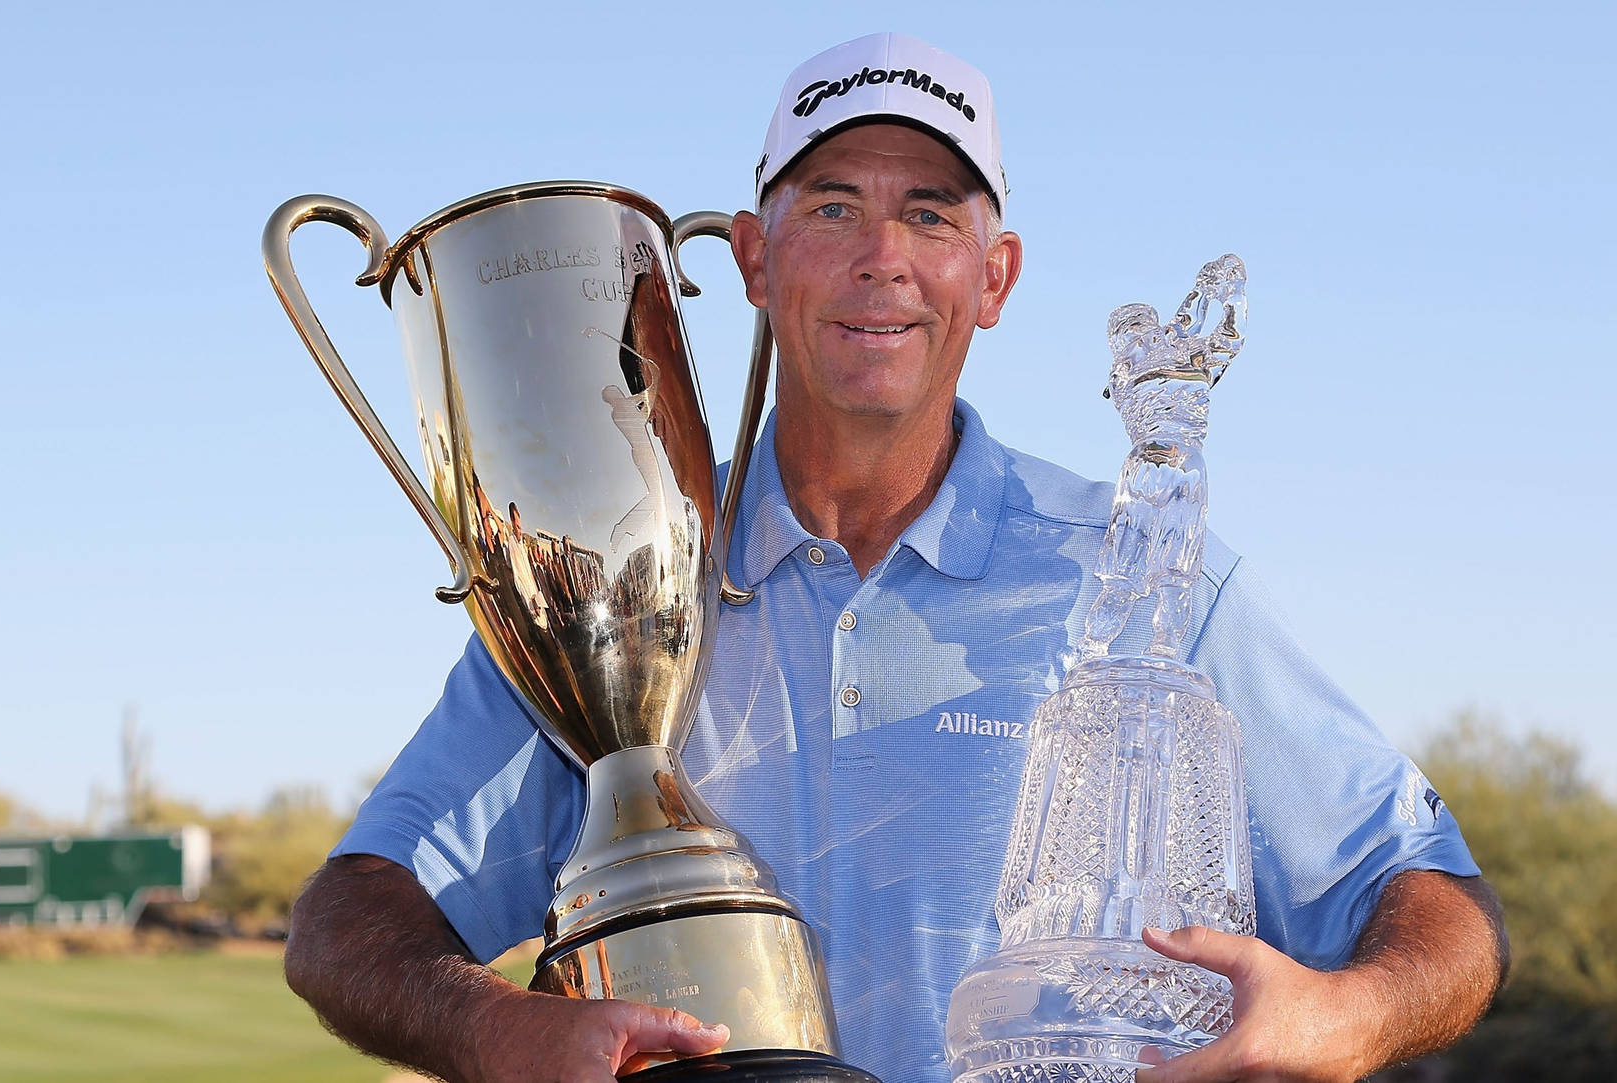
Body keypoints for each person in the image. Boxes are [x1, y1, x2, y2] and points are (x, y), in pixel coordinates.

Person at [284, 33, 1508, 1083]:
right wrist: (492, 1029)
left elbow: (1429, 894)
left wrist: (1347, 1013)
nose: (883, 256)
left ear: (995, 277)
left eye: (931, 213)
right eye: (831, 208)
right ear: (755, 262)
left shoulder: (1144, 573)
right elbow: (347, 918)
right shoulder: (608, 577)